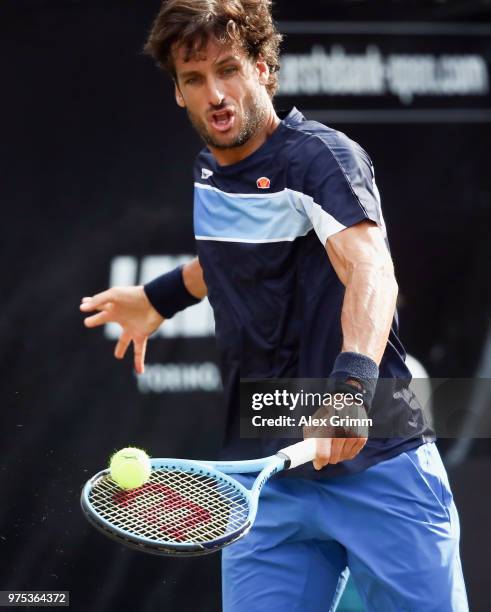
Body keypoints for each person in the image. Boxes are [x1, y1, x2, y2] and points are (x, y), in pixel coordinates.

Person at [80, 1, 468, 610]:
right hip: (269, 478)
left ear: (264, 69)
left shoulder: (321, 159)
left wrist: (350, 389)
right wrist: (158, 298)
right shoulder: (211, 170)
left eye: (229, 69)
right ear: (179, 94)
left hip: (377, 462)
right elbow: (237, 260)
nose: (216, 94)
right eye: (195, 79)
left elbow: (370, 269)